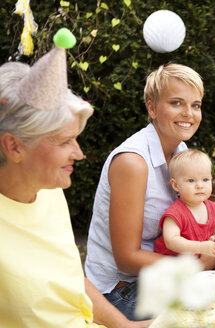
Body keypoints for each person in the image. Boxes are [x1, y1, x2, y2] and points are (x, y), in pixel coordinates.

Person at [0, 38, 148, 327]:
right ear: (14, 146)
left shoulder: (49, 193)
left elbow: (70, 280)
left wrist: (126, 326)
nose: (79, 153)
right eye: (65, 141)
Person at [85, 63, 215, 320]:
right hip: (121, 291)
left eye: (196, 105)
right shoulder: (132, 162)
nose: (189, 114)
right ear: (152, 107)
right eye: (177, 103)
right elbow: (126, 259)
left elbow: (196, 213)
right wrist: (193, 267)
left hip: (162, 276)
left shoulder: (181, 152)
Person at [153, 149, 215, 270]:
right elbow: (171, 241)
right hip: (178, 268)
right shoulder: (175, 213)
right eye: (191, 180)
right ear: (176, 185)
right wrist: (200, 247)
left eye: (205, 179)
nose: (200, 185)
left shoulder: (212, 208)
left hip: (203, 259)